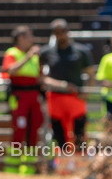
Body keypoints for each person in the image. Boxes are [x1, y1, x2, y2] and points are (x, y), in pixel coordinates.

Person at [40, 19, 94, 151]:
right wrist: (61, 85)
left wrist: (87, 92)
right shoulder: (46, 52)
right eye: (57, 32)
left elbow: (91, 74)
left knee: (79, 134)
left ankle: (80, 164)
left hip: (76, 98)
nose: (60, 35)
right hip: (56, 98)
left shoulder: (81, 51)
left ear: (68, 32)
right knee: (59, 135)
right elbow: (41, 78)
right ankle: (63, 165)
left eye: (62, 31)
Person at [2, 25, 43, 174]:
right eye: (29, 36)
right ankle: (12, 167)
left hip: (34, 97)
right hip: (19, 97)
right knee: (19, 130)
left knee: (34, 130)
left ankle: (28, 167)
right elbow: (11, 70)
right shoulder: (12, 53)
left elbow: (39, 77)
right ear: (21, 38)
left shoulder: (35, 56)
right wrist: (29, 56)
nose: (32, 39)